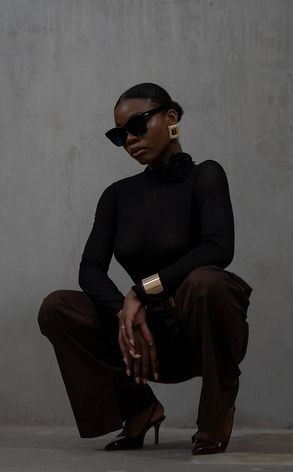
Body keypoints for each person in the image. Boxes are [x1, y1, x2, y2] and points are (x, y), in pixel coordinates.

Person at [38, 82, 252, 455]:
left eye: (137, 126)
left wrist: (140, 290)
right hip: (141, 343)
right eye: (120, 135)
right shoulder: (118, 195)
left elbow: (219, 248)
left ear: (171, 118)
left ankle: (215, 416)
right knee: (57, 307)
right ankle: (138, 408)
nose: (129, 140)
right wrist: (124, 313)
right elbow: (90, 269)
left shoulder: (206, 176)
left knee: (207, 283)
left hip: (197, 330)